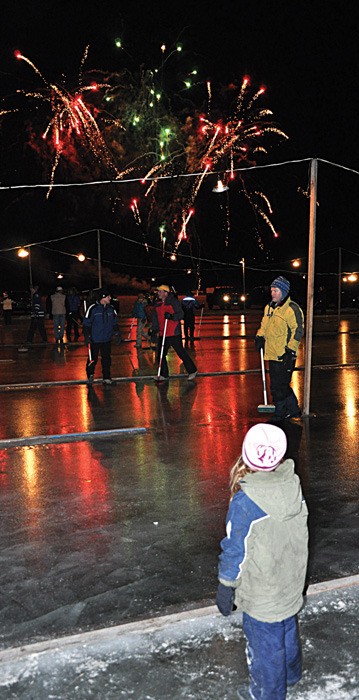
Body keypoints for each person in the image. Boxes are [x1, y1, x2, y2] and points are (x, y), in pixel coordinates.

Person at [216, 423, 308, 700]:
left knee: (266, 649)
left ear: (245, 456)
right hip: (291, 582)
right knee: (287, 630)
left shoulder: (244, 503)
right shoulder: (292, 485)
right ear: (280, 458)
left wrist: (226, 585)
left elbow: (235, 550)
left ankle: (269, 694)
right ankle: (292, 674)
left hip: (262, 593)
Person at [254, 276, 304, 422]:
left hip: (285, 354)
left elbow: (298, 330)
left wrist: (290, 349)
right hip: (272, 352)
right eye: (271, 290)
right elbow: (265, 325)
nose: (273, 293)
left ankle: (280, 413)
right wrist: (259, 337)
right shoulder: (269, 307)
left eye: (276, 290)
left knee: (279, 386)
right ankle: (294, 410)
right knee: (278, 385)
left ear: (284, 292)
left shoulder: (291, 309)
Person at [151, 284, 198, 382]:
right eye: (158, 291)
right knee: (160, 354)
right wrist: (154, 330)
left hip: (173, 333)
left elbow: (181, 314)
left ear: (166, 293)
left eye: (160, 291)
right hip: (162, 333)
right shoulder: (157, 304)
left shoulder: (173, 302)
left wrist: (171, 316)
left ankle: (192, 370)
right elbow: (155, 318)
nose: (158, 293)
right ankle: (164, 374)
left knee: (180, 352)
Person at [82, 288, 121, 385]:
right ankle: (90, 374)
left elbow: (115, 322)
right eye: (108, 296)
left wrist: (117, 333)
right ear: (103, 297)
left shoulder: (111, 309)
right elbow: (86, 323)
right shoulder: (93, 309)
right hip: (95, 339)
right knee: (92, 358)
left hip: (107, 339)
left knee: (106, 359)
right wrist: (87, 336)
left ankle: (107, 377)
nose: (110, 298)